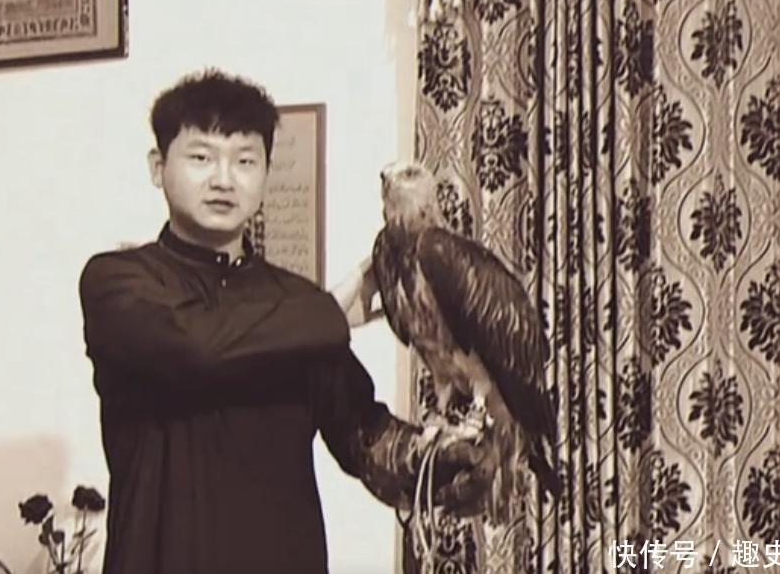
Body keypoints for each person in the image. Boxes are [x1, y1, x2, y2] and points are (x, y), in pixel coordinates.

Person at [79, 69, 496, 574]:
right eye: (201, 157)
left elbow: (364, 437)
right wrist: (333, 309)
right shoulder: (118, 283)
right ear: (157, 166)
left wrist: (440, 462)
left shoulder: (298, 305)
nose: (224, 179)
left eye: (245, 160)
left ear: (266, 174)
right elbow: (197, 345)